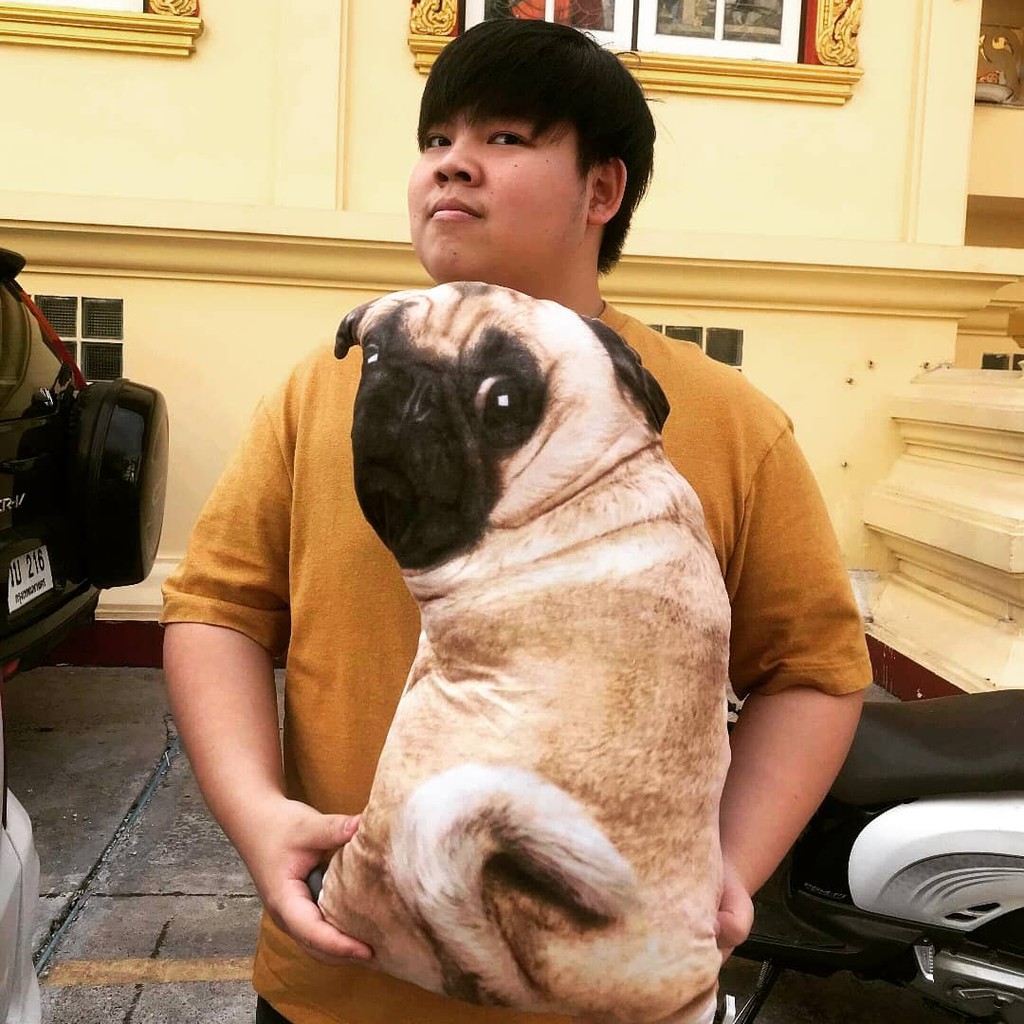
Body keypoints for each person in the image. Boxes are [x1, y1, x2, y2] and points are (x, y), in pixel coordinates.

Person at [161, 17, 871, 1024]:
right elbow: (218, 610)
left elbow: (812, 669)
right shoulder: (329, 386)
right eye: (435, 138)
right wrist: (255, 814)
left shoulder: (720, 416)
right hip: (339, 986)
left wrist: (727, 866)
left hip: (611, 998)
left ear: (601, 190)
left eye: (503, 137)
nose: (451, 164)